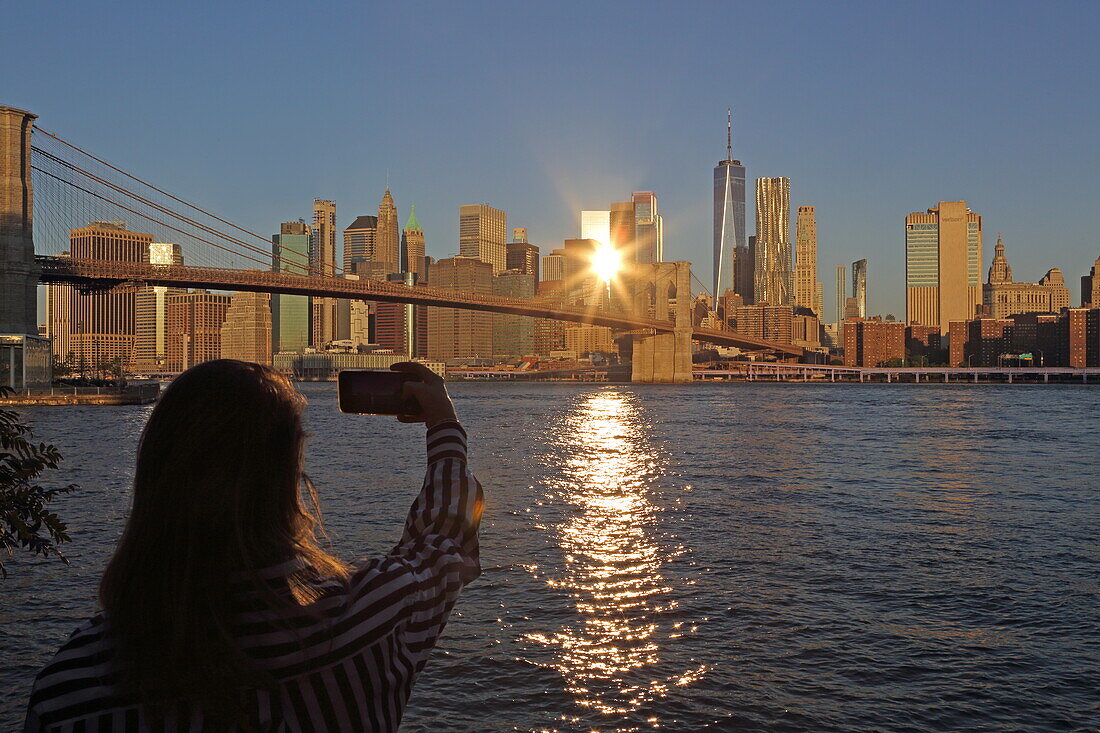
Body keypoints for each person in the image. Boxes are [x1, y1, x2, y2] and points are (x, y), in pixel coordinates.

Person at [25, 360, 483, 732]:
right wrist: (443, 422)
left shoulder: (68, 686)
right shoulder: (366, 618)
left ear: (154, 475)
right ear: (288, 476)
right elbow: (444, 540)